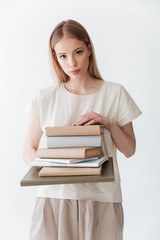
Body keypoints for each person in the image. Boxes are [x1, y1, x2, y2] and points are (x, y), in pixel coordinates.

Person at [23, 19, 142, 240]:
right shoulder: (45, 98)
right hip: (54, 197)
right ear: (55, 58)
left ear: (89, 48)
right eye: (63, 56)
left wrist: (108, 123)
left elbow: (129, 149)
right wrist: (55, 165)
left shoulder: (115, 93)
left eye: (77, 52)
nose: (72, 63)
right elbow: (28, 150)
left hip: (103, 198)